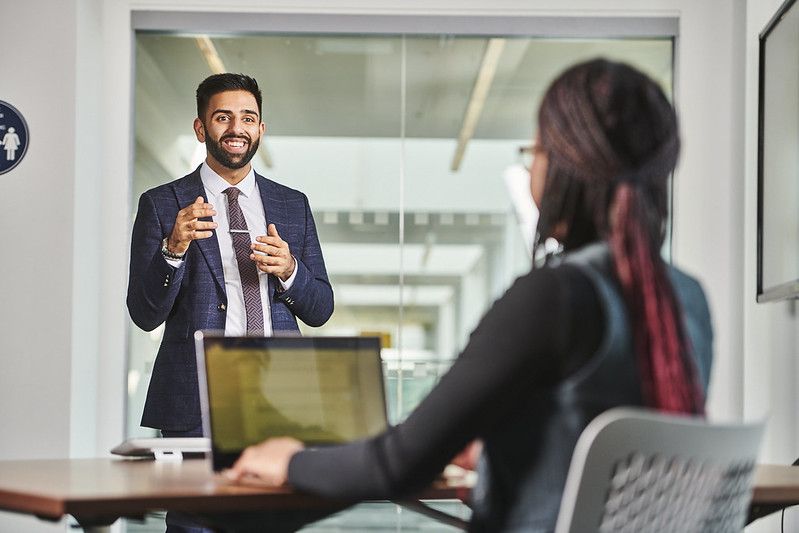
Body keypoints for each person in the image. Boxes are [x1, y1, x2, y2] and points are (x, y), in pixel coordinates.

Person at [225, 59, 713, 532]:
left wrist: (291, 460)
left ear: (565, 164)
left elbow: (397, 464)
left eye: (537, 151)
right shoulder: (689, 299)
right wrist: (503, 451)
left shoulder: (554, 295)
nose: (533, 166)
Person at [127, 73, 334, 439]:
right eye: (223, 117)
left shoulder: (292, 205)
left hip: (281, 394)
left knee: (275, 498)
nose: (237, 128)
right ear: (200, 128)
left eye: (248, 118)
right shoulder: (162, 204)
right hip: (196, 398)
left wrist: (289, 270)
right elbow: (144, 315)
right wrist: (173, 249)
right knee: (196, 498)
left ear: (260, 129)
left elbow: (320, 310)